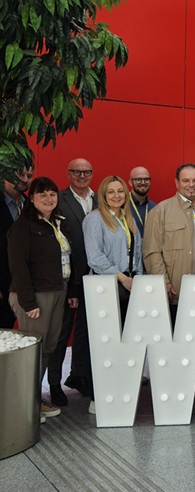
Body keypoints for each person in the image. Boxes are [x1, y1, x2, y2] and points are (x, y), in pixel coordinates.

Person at [8, 177, 80, 422]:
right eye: (42, 194)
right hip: (35, 296)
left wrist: (71, 292)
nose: (49, 198)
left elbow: (67, 259)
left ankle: (35, 400)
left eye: (52, 194)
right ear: (32, 198)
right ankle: (26, 406)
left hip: (58, 291)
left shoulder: (58, 223)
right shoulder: (23, 227)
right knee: (34, 350)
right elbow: (18, 266)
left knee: (48, 347)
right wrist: (28, 303)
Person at [82, 176, 143, 414]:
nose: (116, 196)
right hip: (106, 286)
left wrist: (137, 277)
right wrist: (122, 277)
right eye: (111, 192)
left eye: (120, 191)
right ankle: (97, 397)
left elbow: (136, 253)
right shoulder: (94, 219)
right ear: (103, 195)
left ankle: (119, 392)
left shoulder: (127, 218)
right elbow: (94, 257)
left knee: (124, 343)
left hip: (129, 285)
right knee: (102, 344)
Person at [49, 158, 97, 407]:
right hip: (67, 277)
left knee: (87, 331)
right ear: (68, 174)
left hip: (96, 276)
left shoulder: (99, 198)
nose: (81, 176)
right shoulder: (58, 199)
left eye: (86, 172)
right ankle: (54, 384)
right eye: (76, 172)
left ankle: (80, 376)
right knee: (61, 333)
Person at [143, 163, 195, 320]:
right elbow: (152, 251)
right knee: (174, 333)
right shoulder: (161, 211)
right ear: (177, 182)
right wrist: (163, 282)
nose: (191, 185)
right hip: (175, 292)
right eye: (186, 180)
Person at [0, 165, 34, 328]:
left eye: (29, 176)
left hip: (21, 283)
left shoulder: (29, 206)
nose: (25, 180)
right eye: (20, 174)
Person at [128, 166, 156, 237]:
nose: (143, 183)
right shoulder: (122, 205)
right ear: (130, 182)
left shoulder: (154, 207)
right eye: (138, 179)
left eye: (146, 179)